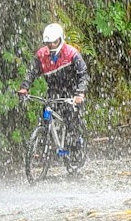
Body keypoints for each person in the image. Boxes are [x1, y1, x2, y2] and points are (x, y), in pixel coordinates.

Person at [19, 23, 89, 157]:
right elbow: (31, 72)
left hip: (72, 92)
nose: (51, 46)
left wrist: (80, 93)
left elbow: (83, 74)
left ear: (61, 40)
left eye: (54, 42)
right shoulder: (41, 55)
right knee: (46, 114)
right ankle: (44, 141)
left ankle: (75, 145)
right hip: (54, 90)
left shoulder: (71, 53)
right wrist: (24, 88)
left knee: (70, 118)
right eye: (48, 43)